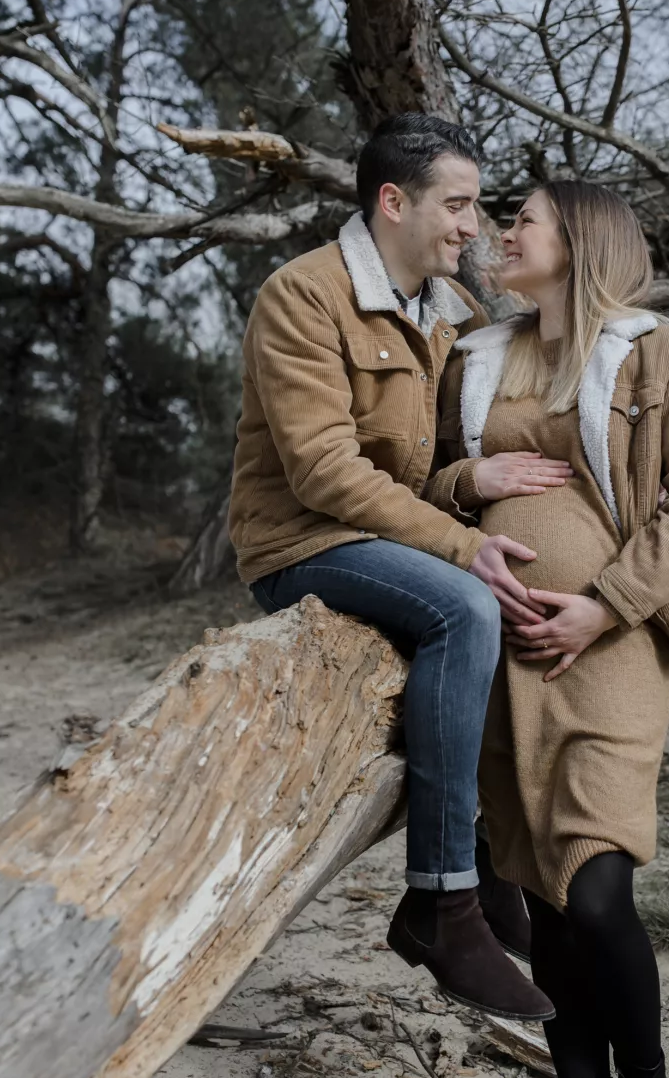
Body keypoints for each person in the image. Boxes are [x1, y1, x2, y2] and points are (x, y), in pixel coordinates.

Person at [426, 181, 669, 1078]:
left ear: (583, 242)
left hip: (608, 647)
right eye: (500, 221)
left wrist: (601, 606)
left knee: (596, 892)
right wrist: (471, 480)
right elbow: (416, 486)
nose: (504, 235)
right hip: (497, 651)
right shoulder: (471, 354)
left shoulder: (655, 352)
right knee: (543, 902)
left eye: (526, 223)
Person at [229, 113, 571, 1023]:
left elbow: (424, 468)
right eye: (456, 204)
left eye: (477, 206)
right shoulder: (303, 295)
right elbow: (323, 470)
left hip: (383, 537)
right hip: (299, 542)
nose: (473, 224)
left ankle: (498, 868)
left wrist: (475, 479)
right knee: (467, 604)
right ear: (393, 201)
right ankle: (440, 902)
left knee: (496, 597)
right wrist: (463, 542)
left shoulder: (452, 312)